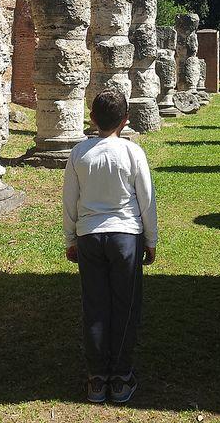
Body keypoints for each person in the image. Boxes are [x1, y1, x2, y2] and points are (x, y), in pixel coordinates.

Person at [63, 88, 158, 405]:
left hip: (90, 235)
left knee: (95, 307)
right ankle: (119, 378)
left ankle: (96, 379)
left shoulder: (79, 153)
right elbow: (146, 202)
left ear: (92, 119)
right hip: (124, 237)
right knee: (125, 307)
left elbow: (69, 203)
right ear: (126, 120)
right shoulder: (133, 153)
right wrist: (150, 240)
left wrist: (70, 238)